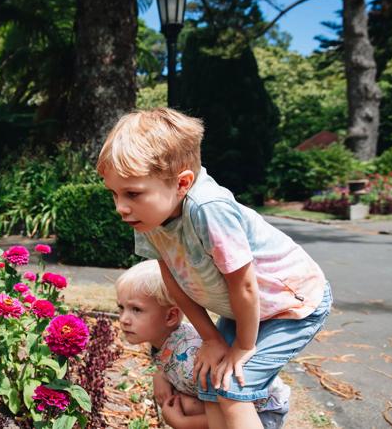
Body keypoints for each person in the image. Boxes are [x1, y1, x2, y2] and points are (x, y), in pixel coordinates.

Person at [97, 107, 332, 429]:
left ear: (182, 183)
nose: (120, 207)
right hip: (248, 310)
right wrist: (211, 339)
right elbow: (172, 277)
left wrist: (243, 347)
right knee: (210, 382)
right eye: (114, 193)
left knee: (234, 387)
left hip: (292, 305)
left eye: (132, 193)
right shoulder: (150, 216)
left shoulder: (209, 209)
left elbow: (244, 285)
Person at [116, 260, 290, 429]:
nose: (124, 319)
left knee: (186, 405)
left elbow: (225, 409)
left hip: (261, 411)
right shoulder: (168, 341)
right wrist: (160, 375)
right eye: (121, 308)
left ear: (171, 316)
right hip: (233, 403)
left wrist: (182, 423)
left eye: (136, 309)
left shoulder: (190, 357)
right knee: (184, 401)